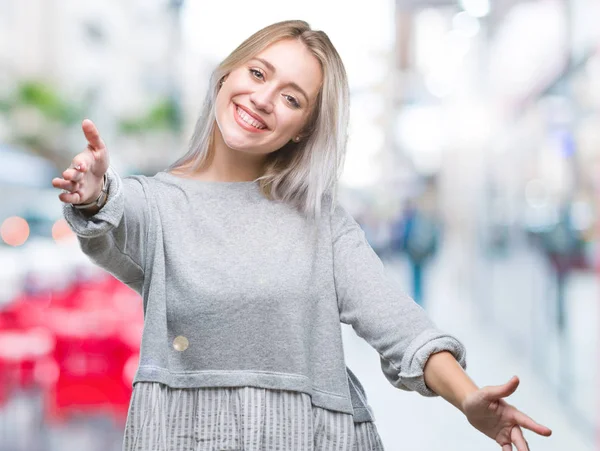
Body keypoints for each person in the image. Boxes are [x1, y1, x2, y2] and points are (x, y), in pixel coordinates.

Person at [52, 20, 551, 451]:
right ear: (227, 73)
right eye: (257, 73)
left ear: (302, 130)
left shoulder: (321, 222)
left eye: (291, 98)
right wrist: (94, 193)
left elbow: (401, 326)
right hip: (181, 433)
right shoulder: (156, 203)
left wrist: (467, 397)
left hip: (307, 435)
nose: (263, 99)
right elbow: (110, 225)